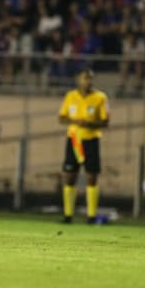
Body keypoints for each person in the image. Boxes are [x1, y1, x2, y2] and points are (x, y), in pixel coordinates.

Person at [58, 68, 110, 224]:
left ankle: (91, 216)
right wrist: (75, 122)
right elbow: (61, 118)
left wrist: (89, 124)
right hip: (74, 140)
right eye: (84, 78)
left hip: (91, 140)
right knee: (69, 176)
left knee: (91, 176)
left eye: (90, 78)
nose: (87, 81)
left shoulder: (100, 97)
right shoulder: (70, 96)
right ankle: (68, 215)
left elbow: (105, 121)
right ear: (78, 80)